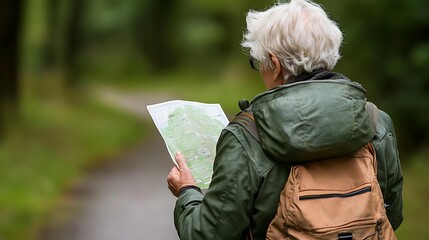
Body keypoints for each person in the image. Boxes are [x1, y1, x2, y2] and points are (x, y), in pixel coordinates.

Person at [166, 0, 403, 239]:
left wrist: (188, 191)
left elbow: (208, 235)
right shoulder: (375, 121)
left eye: (258, 62)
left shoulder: (247, 136)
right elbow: (391, 215)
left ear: (276, 65)